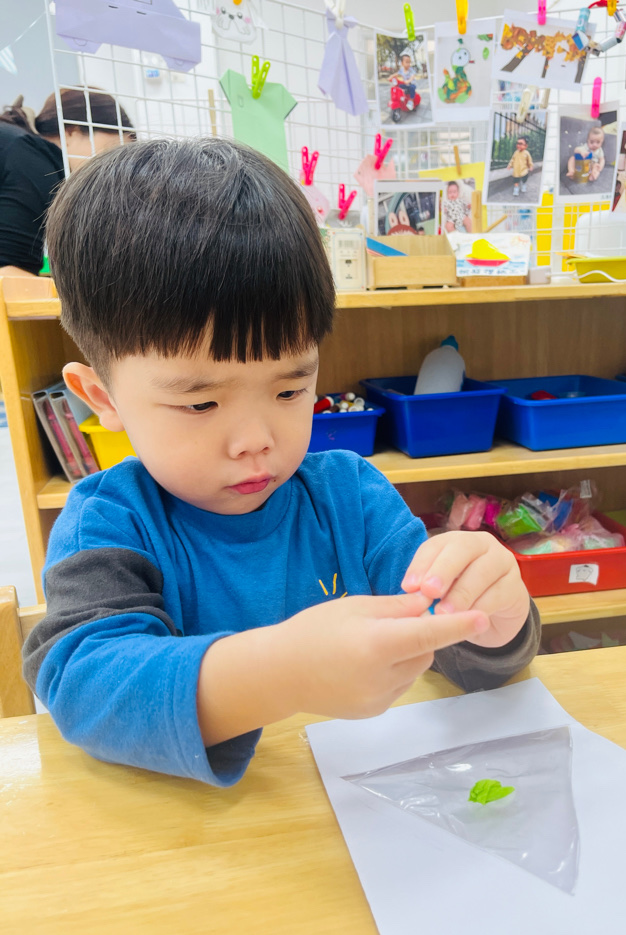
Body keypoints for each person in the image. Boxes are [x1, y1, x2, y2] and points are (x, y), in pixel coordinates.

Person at [22, 138, 540, 788]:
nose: (255, 440)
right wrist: (284, 672)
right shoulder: (109, 523)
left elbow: (458, 655)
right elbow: (84, 688)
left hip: (363, 810)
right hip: (203, 834)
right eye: (201, 402)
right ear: (102, 399)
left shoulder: (351, 498)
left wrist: (495, 621)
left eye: (291, 390)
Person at [0, 89, 133, 278]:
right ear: (71, 132)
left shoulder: (16, 143)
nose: (111, 169)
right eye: (111, 152)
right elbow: (8, 274)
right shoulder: (36, 160)